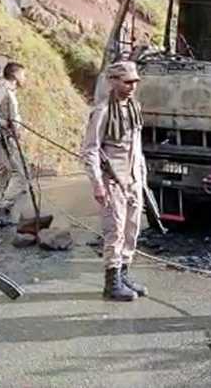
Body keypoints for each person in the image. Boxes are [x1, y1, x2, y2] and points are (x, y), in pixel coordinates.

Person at [82, 61, 148, 302]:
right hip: (113, 181)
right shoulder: (103, 111)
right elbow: (90, 150)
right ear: (113, 81)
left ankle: (124, 274)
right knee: (115, 232)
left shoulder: (133, 108)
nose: (132, 86)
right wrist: (97, 184)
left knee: (132, 229)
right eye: (127, 81)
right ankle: (112, 283)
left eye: (135, 82)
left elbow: (137, 148)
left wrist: (142, 178)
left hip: (133, 180)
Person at [0, 62, 28, 214]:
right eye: (23, 74)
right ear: (15, 75)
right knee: (17, 174)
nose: (25, 78)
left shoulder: (8, 91)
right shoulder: (1, 89)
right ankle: (0, 206)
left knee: (4, 173)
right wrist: (3, 124)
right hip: (1, 136)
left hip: (6, 136)